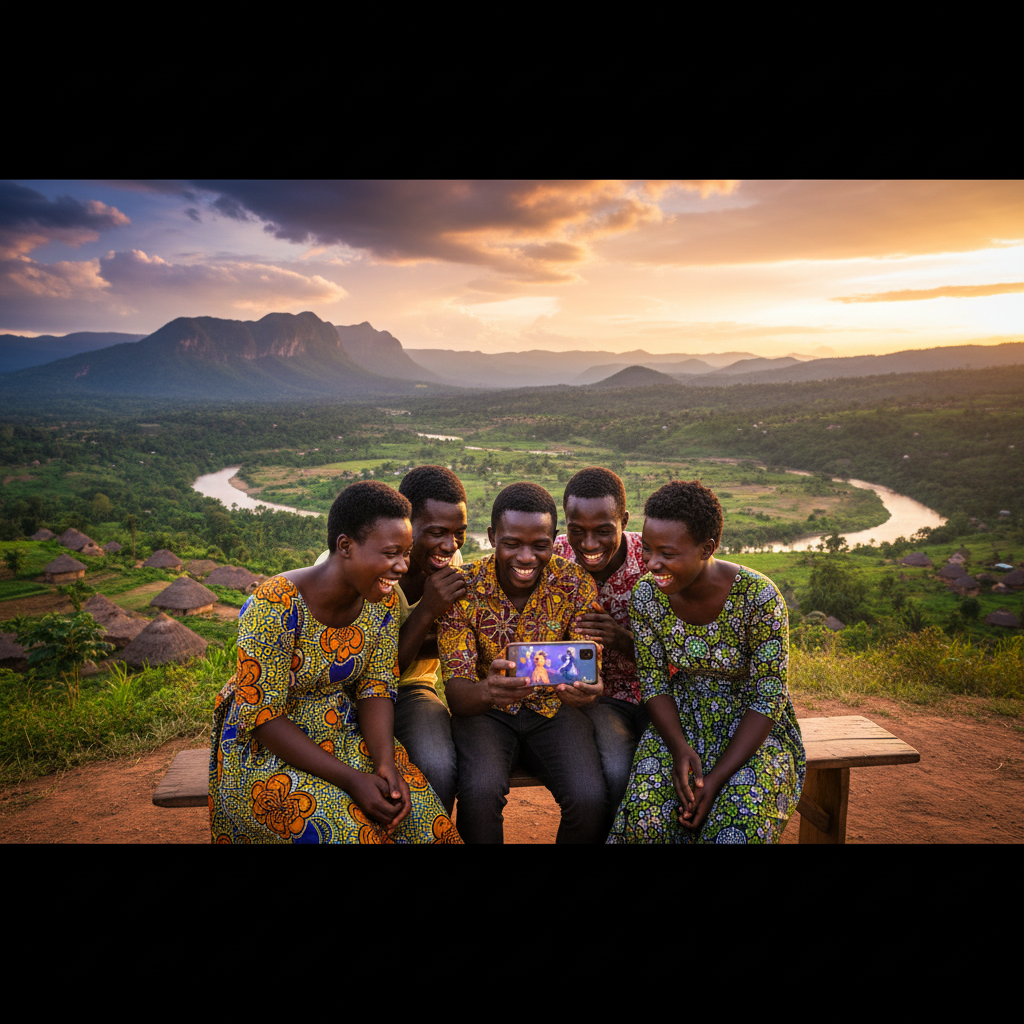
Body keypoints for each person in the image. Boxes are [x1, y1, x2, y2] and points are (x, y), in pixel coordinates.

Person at [209, 481, 461, 844]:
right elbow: (263, 716)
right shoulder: (275, 604)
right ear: (345, 546)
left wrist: (385, 765)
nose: (403, 566)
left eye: (406, 553)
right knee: (351, 834)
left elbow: (376, 687)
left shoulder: (382, 603)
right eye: (391, 553)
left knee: (429, 826)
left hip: (342, 733)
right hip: (266, 752)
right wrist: (353, 780)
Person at [606, 480, 805, 844]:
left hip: (754, 731)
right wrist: (679, 748)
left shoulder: (758, 597)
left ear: (707, 548)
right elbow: (654, 683)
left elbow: (767, 697)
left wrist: (715, 779)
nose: (652, 564)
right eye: (648, 551)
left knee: (734, 829)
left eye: (667, 553)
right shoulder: (647, 597)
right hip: (680, 721)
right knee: (644, 824)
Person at [437, 482, 608, 844]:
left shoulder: (574, 583)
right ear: (491, 537)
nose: (526, 557)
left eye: (540, 545)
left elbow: (587, 669)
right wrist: (487, 690)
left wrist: (590, 693)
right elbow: (457, 694)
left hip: (554, 709)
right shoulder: (463, 588)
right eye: (512, 543)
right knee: (480, 794)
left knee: (589, 799)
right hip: (485, 713)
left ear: (554, 539)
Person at [552, 467, 649, 824]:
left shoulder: (652, 561)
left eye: (604, 530)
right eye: (578, 531)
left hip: (656, 694)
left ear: (624, 520)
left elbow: (681, 649)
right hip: (595, 701)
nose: (589, 544)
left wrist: (622, 640)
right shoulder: (554, 558)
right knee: (617, 770)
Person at [391, 465, 468, 816]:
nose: (449, 546)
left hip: (413, 689)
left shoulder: (450, 562)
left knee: (438, 764)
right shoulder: (369, 565)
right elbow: (376, 668)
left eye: (458, 533)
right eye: (436, 532)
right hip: (348, 689)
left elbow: (455, 641)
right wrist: (426, 614)